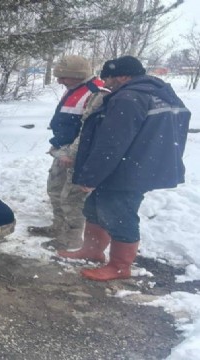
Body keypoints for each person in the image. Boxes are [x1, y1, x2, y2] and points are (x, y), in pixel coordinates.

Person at [59, 55, 191, 281]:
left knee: (119, 213)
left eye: (107, 78)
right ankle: (92, 251)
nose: (105, 83)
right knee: (95, 207)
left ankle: (120, 267)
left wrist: (90, 176)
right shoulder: (161, 94)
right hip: (143, 164)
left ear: (122, 76)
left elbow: (111, 143)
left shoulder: (128, 98)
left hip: (126, 168)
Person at [28, 55, 107, 250]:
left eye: (64, 77)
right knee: (55, 190)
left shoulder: (96, 93)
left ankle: (72, 238)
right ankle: (58, 227)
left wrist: (71, 154)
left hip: (76, 155)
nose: (59, 81)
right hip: (62, 151)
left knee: (71, 198)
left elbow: (88, 130)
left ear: (78, 75)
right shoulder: (75, 89)